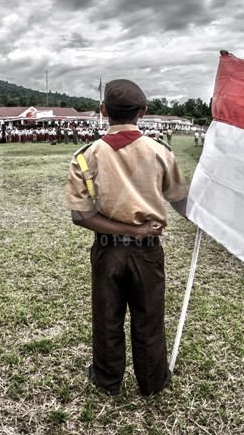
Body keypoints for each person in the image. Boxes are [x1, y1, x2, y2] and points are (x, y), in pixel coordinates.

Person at [64, 79, 188, 397]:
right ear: (142, 112)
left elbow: (81, 217)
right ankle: (152, 381)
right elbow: (180, 200)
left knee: (107, 318)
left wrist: (124, 229)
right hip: (148, 252)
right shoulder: (162, 152)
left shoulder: (85, 156)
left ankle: (107, 380)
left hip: (107, 252)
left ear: (104, 110)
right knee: (149, 319)